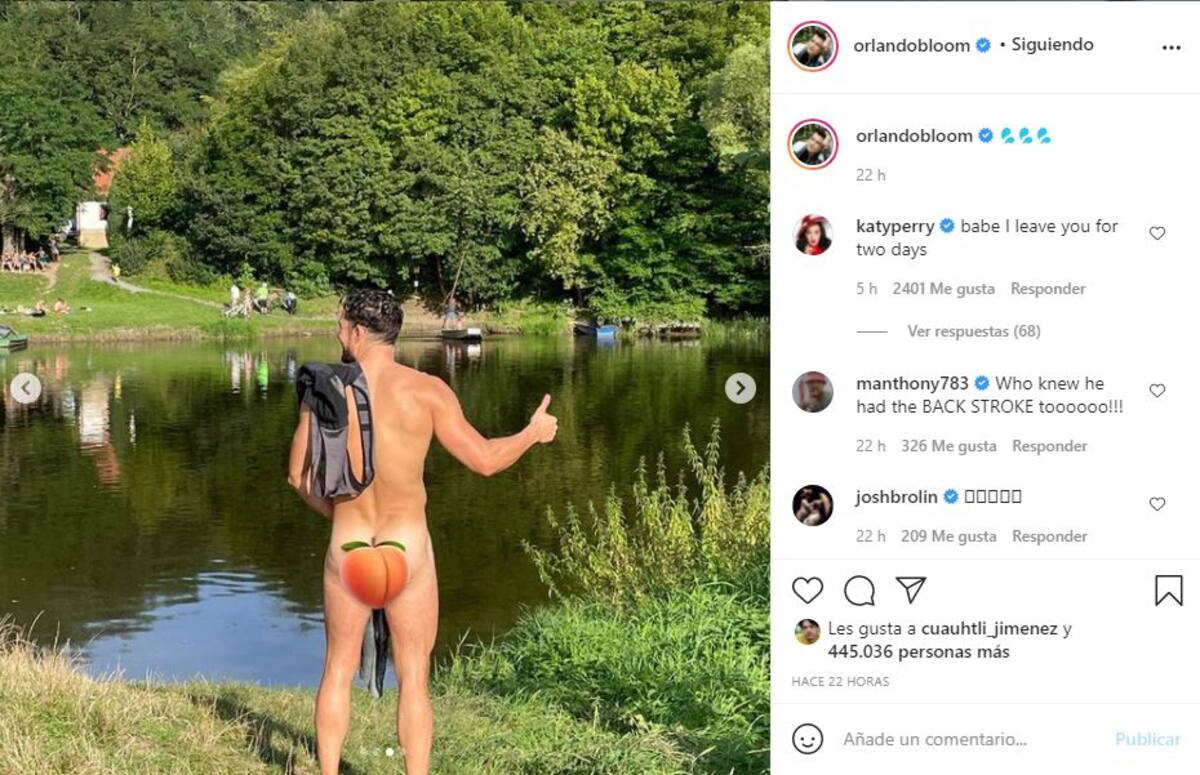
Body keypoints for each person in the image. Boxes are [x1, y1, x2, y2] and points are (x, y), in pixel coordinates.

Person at [287, 289, 557, 775]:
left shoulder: (324, 388)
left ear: (357, 332)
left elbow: (297, 477)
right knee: (414, 677)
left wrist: (340, 517)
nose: (337, 332)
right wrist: (532, 434)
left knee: (337, 669)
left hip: (348, 548)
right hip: (406, 549)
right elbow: (485, 460)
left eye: (340, 325)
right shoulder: (427, 390)